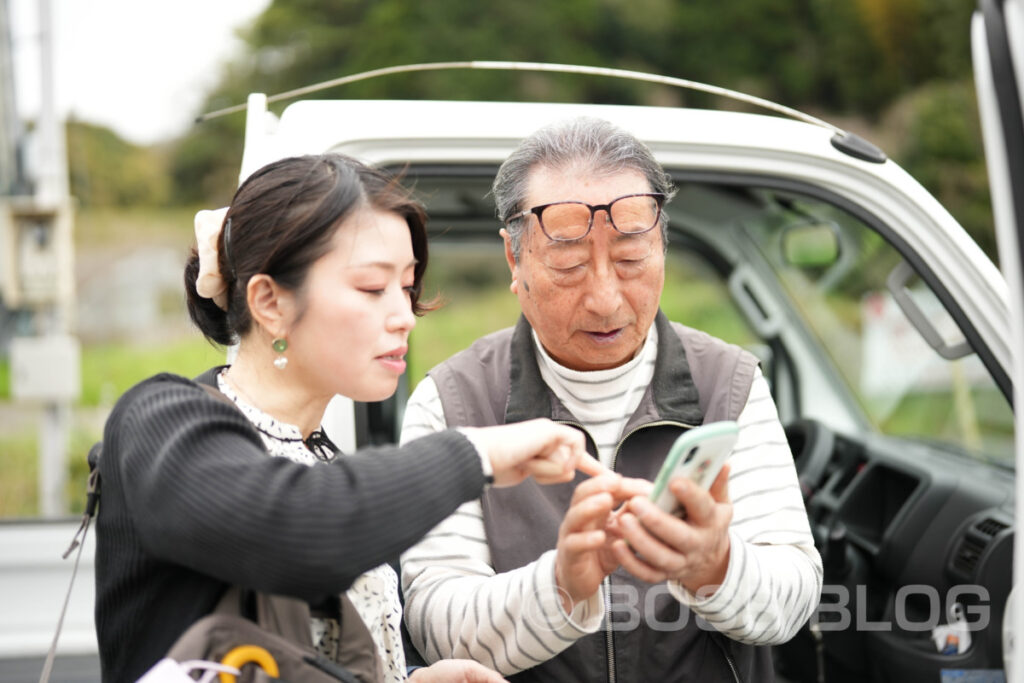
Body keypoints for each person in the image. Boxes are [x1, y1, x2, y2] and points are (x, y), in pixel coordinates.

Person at [93, 153, 601, 683]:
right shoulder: (161, 421)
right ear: (270, 302)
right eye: (371, 288)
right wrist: (475, 452)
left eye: (407, 287)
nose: (404, 315)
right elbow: (300, 529)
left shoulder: (323, 457)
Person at [400, 117, 823, 681]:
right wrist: (561, 586)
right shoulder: (452, 402)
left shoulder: (731, 383)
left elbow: (793, 595)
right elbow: (434, 622)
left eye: (630, 260)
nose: (604, 299)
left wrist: (715, 567)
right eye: (570, 264)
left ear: (662, 248)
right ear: (514, 260)